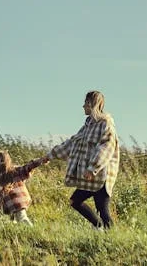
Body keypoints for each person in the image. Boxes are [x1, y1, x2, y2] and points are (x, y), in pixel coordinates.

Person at [45, 90, 120, 229]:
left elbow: (106, 148)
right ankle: (100, 227)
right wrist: (50, 155)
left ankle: (111, 236)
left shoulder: (106, 124)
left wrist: (93, 168)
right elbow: (71, 144)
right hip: (90, 177)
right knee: (75, 202)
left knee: (102, 210)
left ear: (92, 103)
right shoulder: (86, 127)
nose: (83, 106)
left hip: (101, 175)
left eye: (85, 102)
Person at [0, 150, 47, 225]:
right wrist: (41, 160)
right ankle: (15, 229)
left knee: (20, 218)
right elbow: (29, 166)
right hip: (21, 200)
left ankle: (33, 231)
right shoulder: (16, 170)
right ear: (8, 160)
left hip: (7, 205)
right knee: (3, 217)